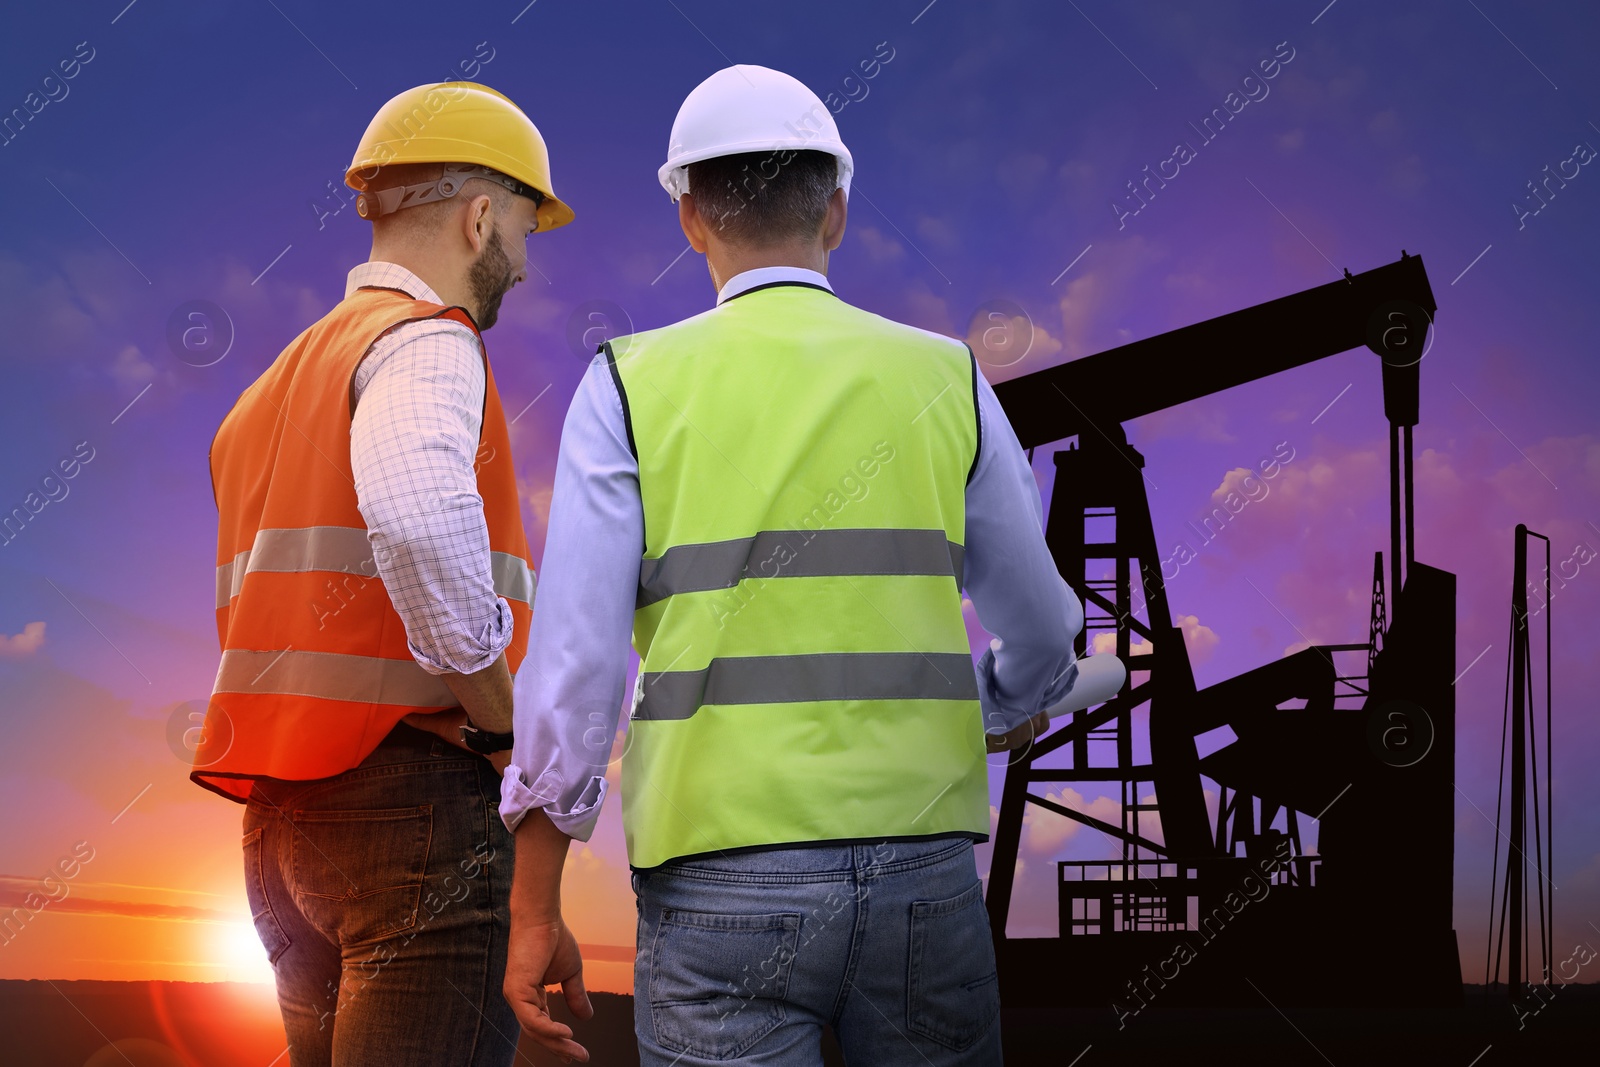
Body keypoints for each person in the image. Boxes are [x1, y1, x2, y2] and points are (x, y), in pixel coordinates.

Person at [499, 65, 1082, 1065]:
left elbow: (577, 665)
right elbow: (1040, 631)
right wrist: (992, 706)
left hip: (718, 877)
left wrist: (532, 899)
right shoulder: (946, 375)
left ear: (690, 217)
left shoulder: (627, 386)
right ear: (838, 211)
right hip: (923, 877)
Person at [192, 81, 574, 1067]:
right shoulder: (426, 341)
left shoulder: (273, 385)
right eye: (526, 228)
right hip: (412, 800)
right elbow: (414, 523)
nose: (525, 265)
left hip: (280, 827)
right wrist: (500, 728)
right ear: (480, 216)